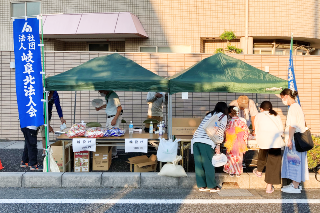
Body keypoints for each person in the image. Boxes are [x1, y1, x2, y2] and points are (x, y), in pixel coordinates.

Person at [192, 102, 228, 193]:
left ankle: (201, 185)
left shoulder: (209, 114)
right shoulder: (222, 116)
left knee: (199, 164)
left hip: (196, 140)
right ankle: (212, 186)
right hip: (207, 141)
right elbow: (220, 130)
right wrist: (218, 144)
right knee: (208, 163)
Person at [280, 89, 309, 193]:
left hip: (295, 139)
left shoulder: (293, 107)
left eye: (282, 97)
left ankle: (295, 186)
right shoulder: (297, 106)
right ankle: (295, 184)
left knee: (294, 161)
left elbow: (292, 125)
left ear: (286, 96)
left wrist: (289, 140)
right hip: (299, 139)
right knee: (297, 161)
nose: (282, 100)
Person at [253, 101, 284, 193]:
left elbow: (256, 128)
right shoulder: (276, 115)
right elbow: (281, 129)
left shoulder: (259, 115)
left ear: (261, 109)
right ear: (270, 108)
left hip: (263, 141)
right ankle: (269, 187)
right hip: (275, 142)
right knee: (273, 164)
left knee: (262, 156)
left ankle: (259, 171)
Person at [223, 106, 249, 177]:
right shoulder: (242, 122)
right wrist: (243, 139)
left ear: (229, 113)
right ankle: (238, 172)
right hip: (239, 141)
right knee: (239, 157)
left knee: (231, 157)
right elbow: (246, 132)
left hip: (230, 142)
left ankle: (231, 171)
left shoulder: (228, 122)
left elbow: (225, 131)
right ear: (238, 113)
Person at [96, 90, 123, 157]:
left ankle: (113, 154)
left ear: (105, 89)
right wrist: (100, 107)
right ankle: (110, 153)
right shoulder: (109, 96)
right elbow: (108, 104)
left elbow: (119, 108)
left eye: (101, 91)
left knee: (113, 137)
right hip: (109, 118)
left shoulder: (114, 96)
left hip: (113, 117)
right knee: (109, 136)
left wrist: (114, 119)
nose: (101, 93)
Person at [39, 91, 66, 156]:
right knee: (32, 135)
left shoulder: (54, 93)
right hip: (36, 115)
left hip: (47, 115)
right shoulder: (40, 90)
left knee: (44, 135)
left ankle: (44, 151)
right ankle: (29, 157)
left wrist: (61, 117)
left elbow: (58, 106)